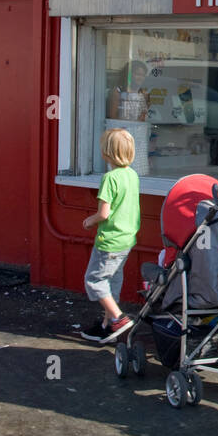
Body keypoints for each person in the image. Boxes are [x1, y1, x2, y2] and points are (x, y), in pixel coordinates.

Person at [79, 128, 140, 343]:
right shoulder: (132, 175)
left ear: (106, 153)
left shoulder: (110, 178)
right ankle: (107, 326)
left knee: (94, 280)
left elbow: (104, 213)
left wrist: (90, 220)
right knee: (112, 281)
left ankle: (118, 318)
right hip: (126, 239)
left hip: (109, 240)